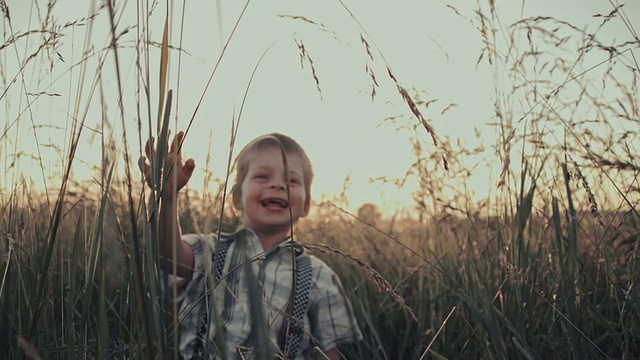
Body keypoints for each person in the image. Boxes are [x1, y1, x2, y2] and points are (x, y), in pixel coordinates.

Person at [141, 131, 362, 359]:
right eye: (262, 177)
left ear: (306, 205)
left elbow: (331, 354)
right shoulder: (213, 250)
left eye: (291, 180)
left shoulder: (320, 278)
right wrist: (166, 199)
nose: (277, 185)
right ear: (237, 197)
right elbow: (168, 257)